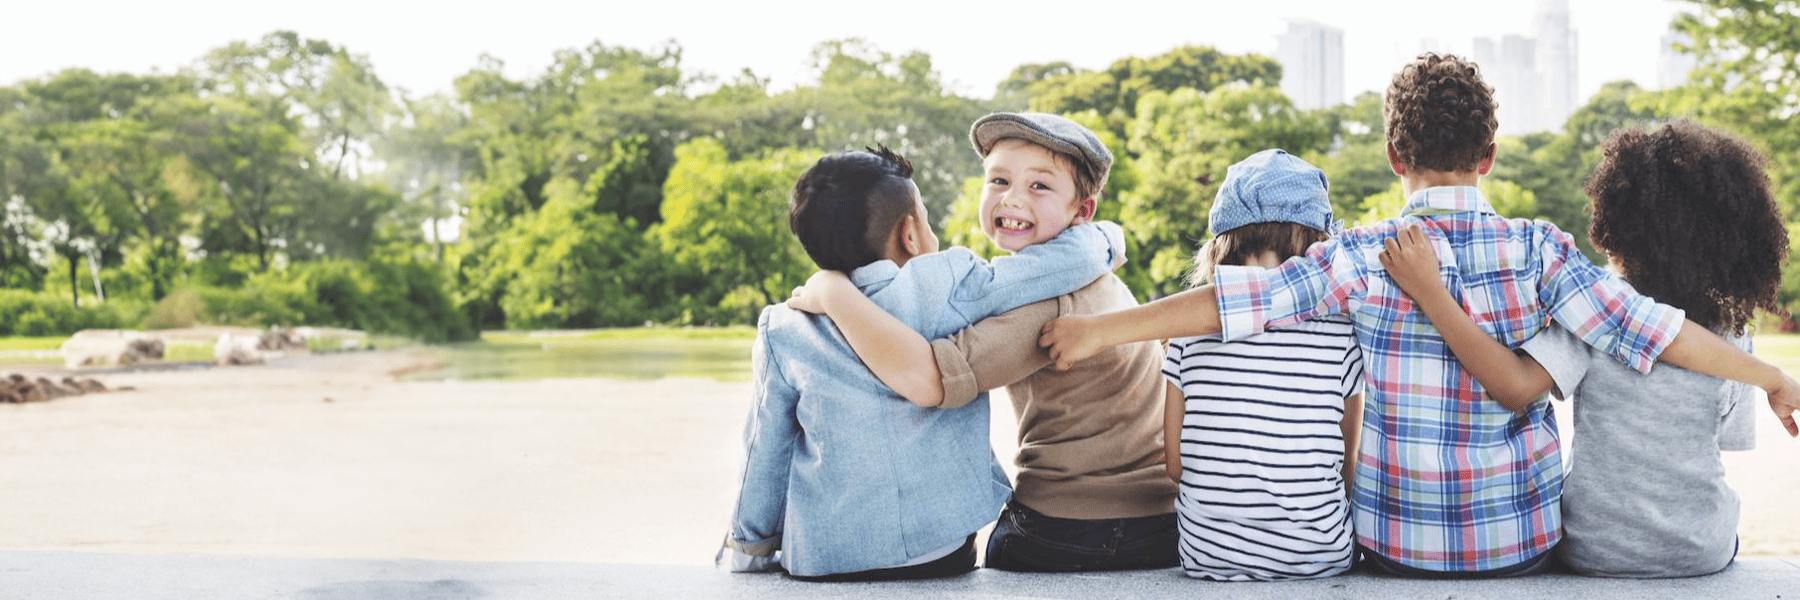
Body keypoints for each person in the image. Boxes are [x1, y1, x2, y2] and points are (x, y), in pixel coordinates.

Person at [1035, 54, 1800, 578]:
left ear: (1394, 155)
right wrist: (1767, 374)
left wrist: (1101, 328)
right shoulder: (1542, 250)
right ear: (1490, 154)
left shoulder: (1364, 252)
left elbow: (1243, 300)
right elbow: (1654, 331)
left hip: (1396, 545)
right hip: (1518, 546)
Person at [1377, 119, 1786, 578]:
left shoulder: (1586, 322)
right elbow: (1724, 445)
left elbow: (1515, 385)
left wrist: (1432, 293)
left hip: (1592, 548)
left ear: (1614, 228)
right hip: (1700, 552)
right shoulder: (1733, 344)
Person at [787, 112, 1177, 572]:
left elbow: (929, 380)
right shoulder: (1094, 266)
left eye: (1039, 187)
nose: (1011, 198)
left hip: (1073, 524)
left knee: (987, 545)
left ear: (1083, 210)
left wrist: (835, 292)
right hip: (1161, 521)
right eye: (998, 180)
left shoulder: (1042, 303)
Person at [720, 145, 1126, 581]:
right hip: (941, 551)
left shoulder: (782, 327)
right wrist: (1108, 236)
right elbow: (1056, 266)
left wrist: (749, 545)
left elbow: (764, 451)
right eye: (927, 218)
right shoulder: (946, 282)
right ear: (910, 235)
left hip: (825, 556)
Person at [1160, 149, 1364, 580]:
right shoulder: (1342, 335)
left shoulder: (1185, 332)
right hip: (1319, 556)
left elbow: (1175, 465)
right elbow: (1349, 465)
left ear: (1220, 245)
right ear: (1318, 249)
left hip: (1206, 556)